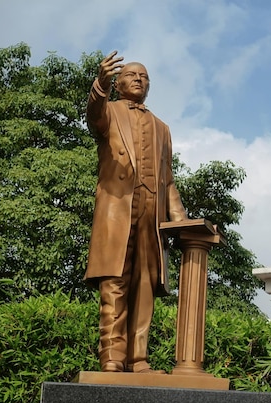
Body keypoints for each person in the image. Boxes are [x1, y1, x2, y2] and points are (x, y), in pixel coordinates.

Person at [84, 51, 188, 373]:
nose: (139, 79)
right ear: (117, 84)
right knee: (115, 283)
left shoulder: (162, 128)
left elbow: (167, 179)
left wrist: (181, 220)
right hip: (117, 209)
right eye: (132, 75)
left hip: (151, 213)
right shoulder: (109, 112)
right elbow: (93, 116)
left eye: (144, 76)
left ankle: (138, 358)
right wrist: (99, 84)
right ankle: (112, 358)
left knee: (145, 285)